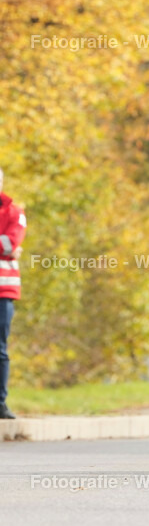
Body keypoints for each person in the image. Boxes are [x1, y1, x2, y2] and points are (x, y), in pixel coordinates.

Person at [0, 166, 27, 420]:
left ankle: (0, 404)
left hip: (2, 291)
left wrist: (7, 246)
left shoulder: (14, 213)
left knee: (0, 348)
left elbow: (10, 242)